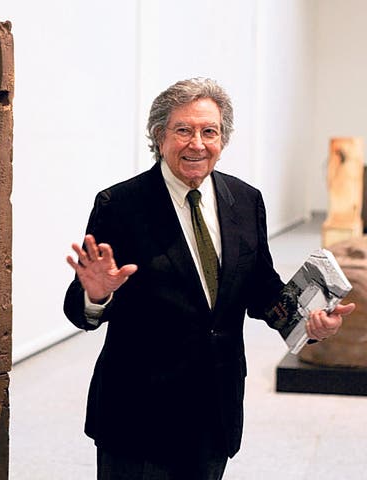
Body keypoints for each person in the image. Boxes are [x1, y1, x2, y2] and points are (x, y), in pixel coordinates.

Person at [63, 77, 354, 480]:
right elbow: (79, 307)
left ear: (223, 139)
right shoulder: (120, 205)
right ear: (159, 137)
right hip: (139, 414)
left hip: (214, 408)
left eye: (209, 131)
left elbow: (260, 289)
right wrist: (95, 295)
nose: (197, 143)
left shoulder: (245, 200)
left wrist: (308, 321)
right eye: (183, 130)